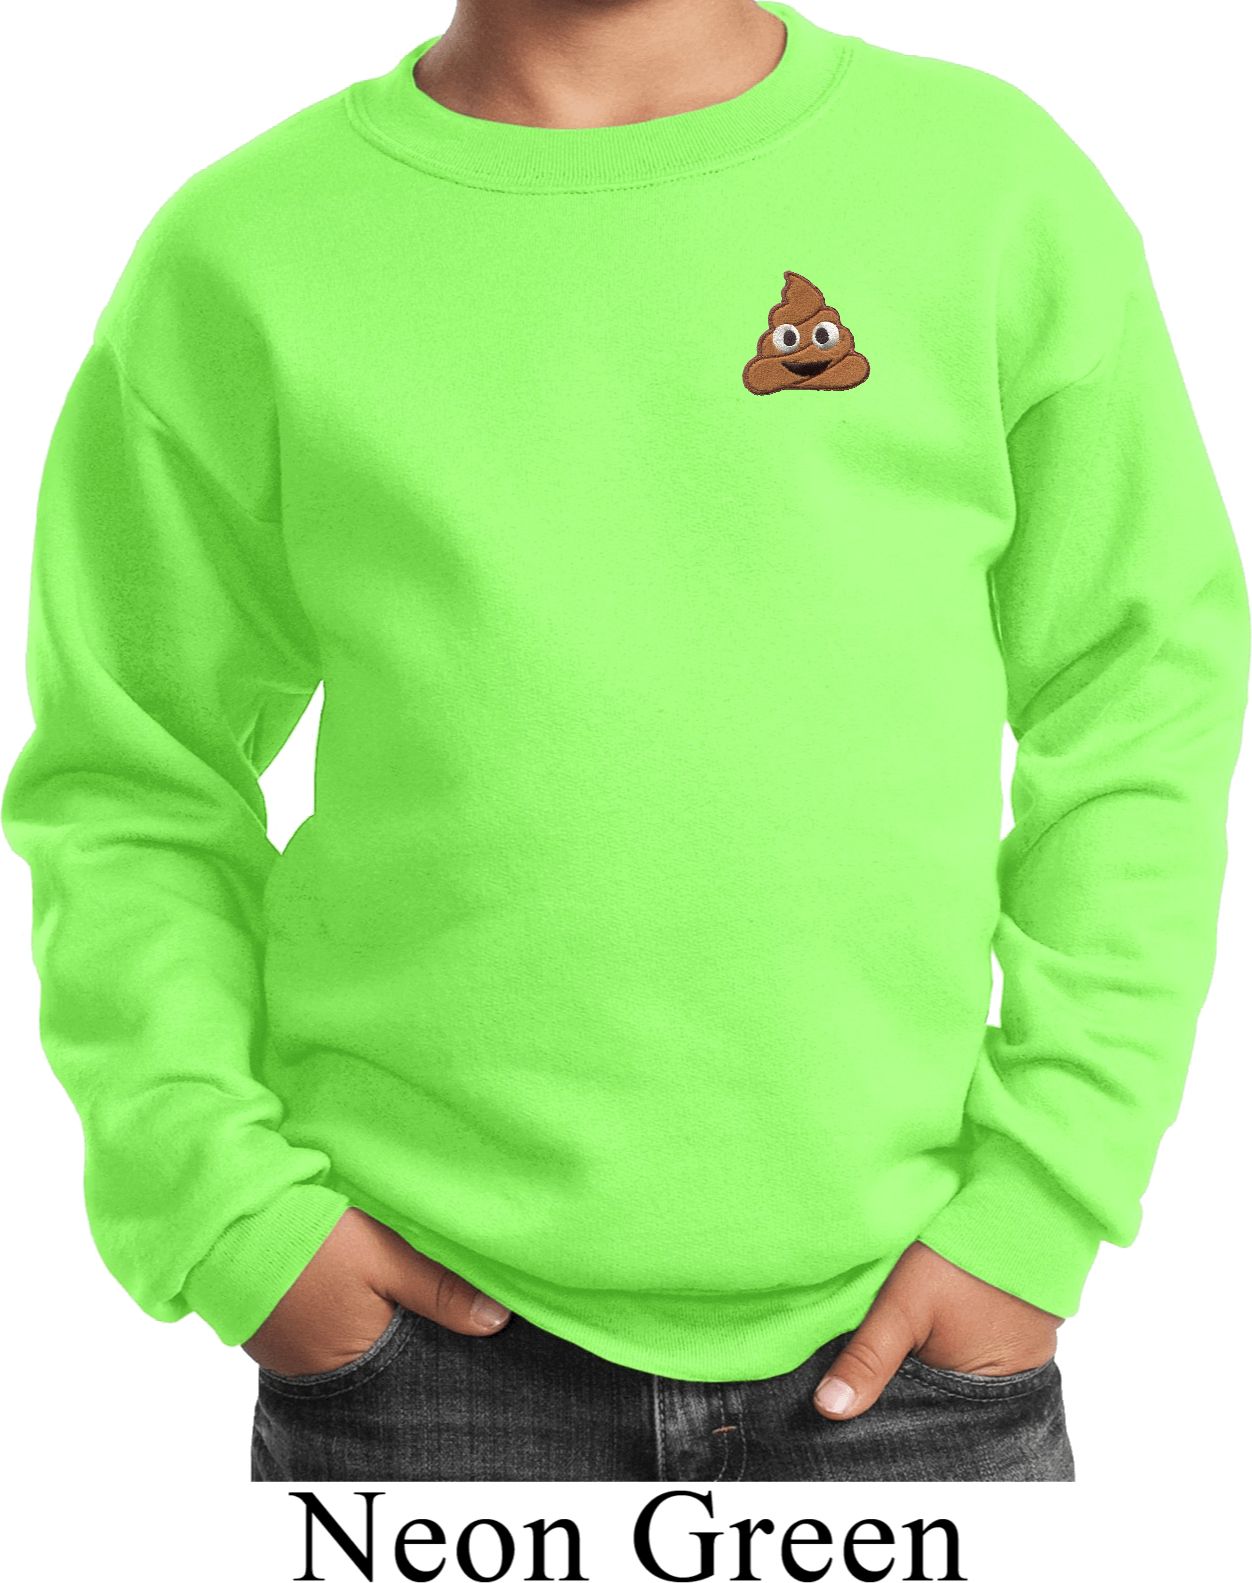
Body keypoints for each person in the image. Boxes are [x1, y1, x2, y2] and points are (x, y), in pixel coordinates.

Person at [3, 0, 1246, 1484]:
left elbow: (1139, 696)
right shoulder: (244, 251)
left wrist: (1042, 1199)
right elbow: (133, 772)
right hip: (415, 1346)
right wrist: (228, 1215)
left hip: (918, 1341)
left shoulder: (990, 185)